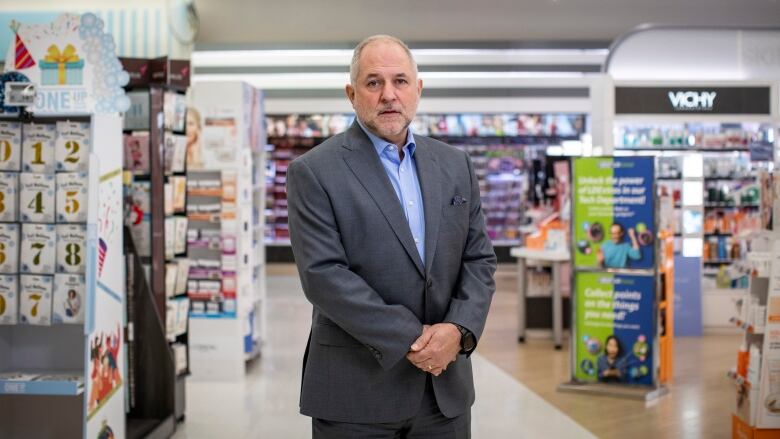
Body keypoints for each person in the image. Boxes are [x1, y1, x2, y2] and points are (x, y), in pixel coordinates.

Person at [287, 35, 497, 438]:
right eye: (373, 83)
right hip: (355, 393)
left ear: (418, 90)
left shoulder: (455, 166)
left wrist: (458, 330)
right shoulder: (314, 171)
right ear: (351, 94)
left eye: (400, 81)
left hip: (443, 396)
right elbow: (324, 276)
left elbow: (479, 260)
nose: (389, 95)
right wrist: (416, 340)